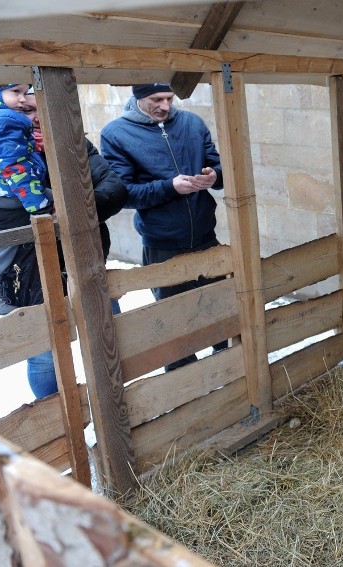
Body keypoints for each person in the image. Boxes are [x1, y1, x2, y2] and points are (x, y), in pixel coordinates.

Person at [1, 91, 128, 398]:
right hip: (32, 272)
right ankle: (57, 424)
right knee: (47, 357)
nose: (34, 117)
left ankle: (119, 408)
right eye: (26, 110)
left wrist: (68, 208)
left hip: (88, 261)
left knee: (113, 339)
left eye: (39, 110)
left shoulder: (74, 145)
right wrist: (48, 201)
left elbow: (115, 189)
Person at [100, 83, 227, 371]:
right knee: (174, 328)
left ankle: (230, 376)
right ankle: (185, 391)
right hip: (162, 246)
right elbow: (124, 193)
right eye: (156, 99)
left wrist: (213, 175)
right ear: (137, 97)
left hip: (207, 238)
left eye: (170, 98)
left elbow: (219, 167)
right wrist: (169, 187)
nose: (166, 106)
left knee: (223, 313)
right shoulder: (116, 134)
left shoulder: (192, 123)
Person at [0, 83, 48, 314]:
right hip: (7, 191)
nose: (22, 99)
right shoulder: (2, 121)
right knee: (7, 233)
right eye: (16, 92)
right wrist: (38, 205)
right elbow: (15, 167)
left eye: (24, 93)